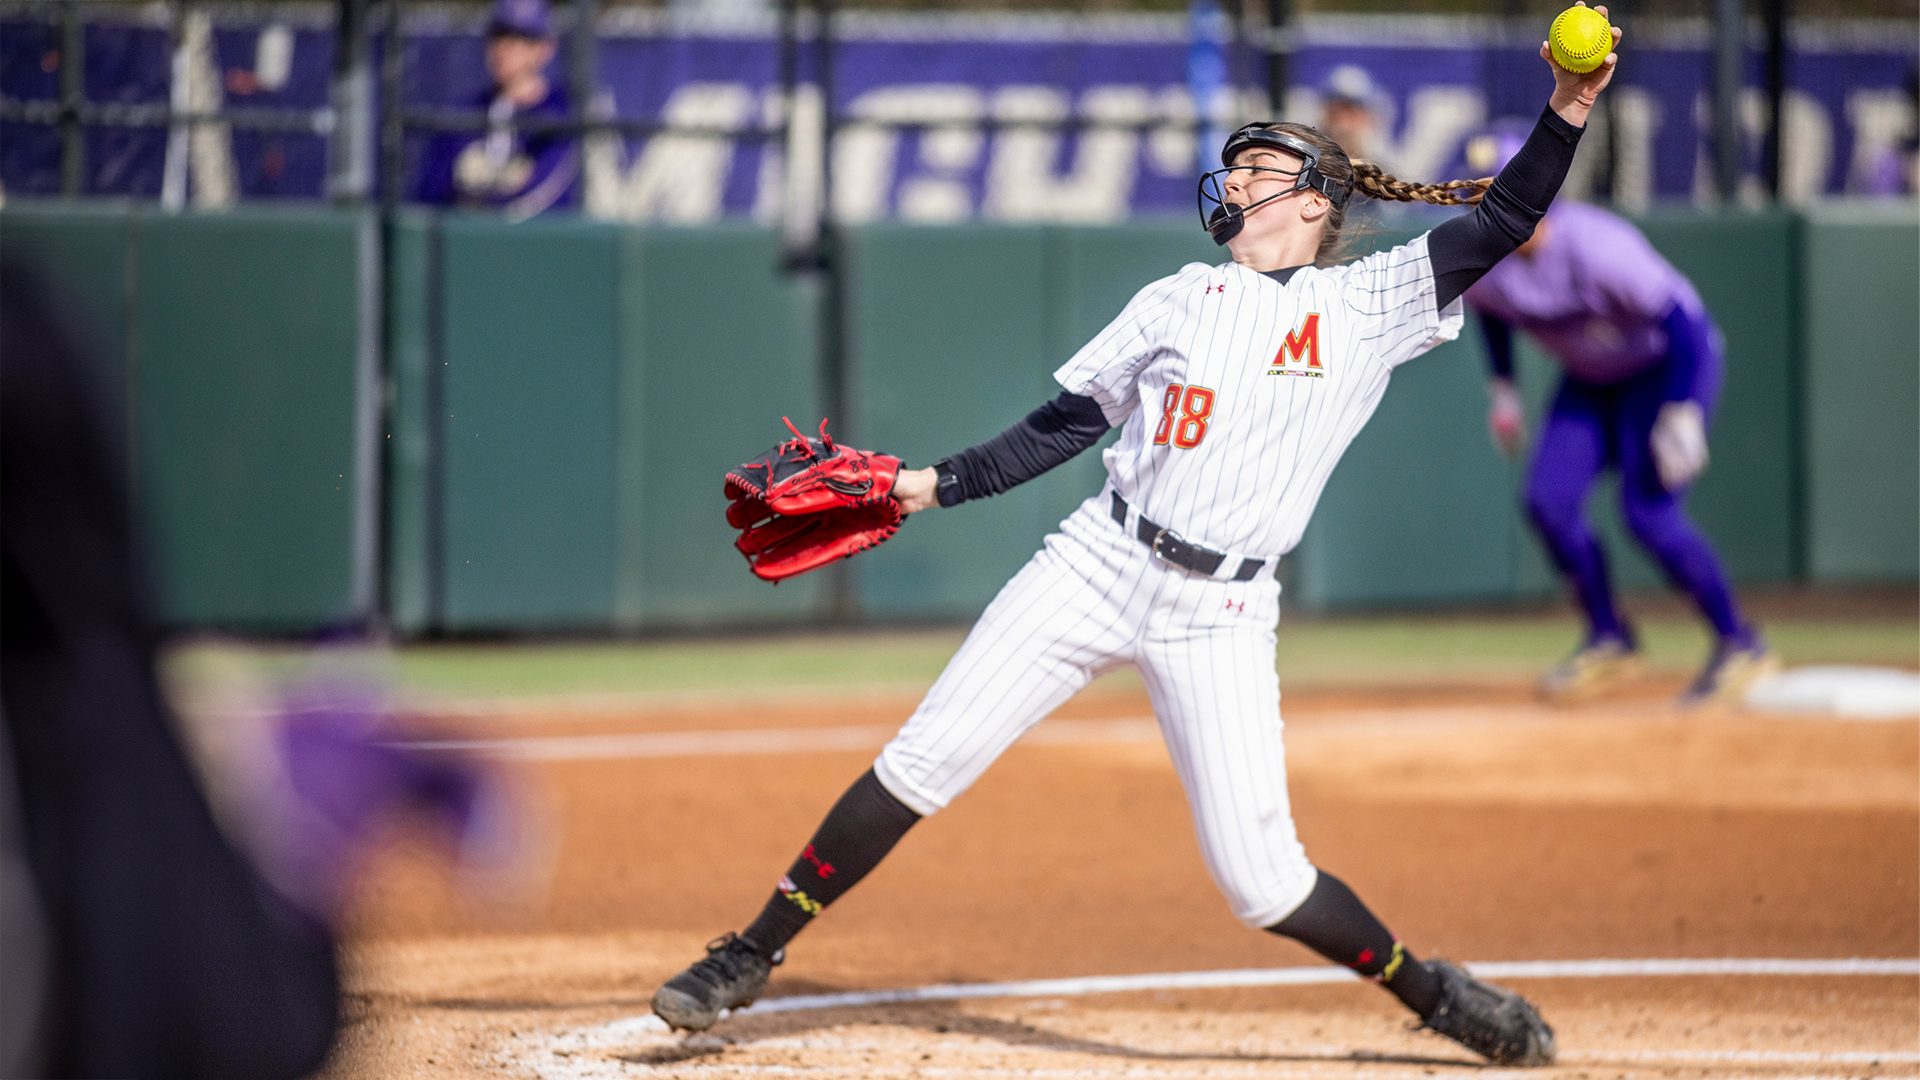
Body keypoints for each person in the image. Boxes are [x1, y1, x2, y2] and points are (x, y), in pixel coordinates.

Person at [651, 10, 1621, 1067]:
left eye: (1254, 168)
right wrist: (928, 486)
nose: (1233, 181)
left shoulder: (1367, 302)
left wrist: (1568, 107)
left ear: (1313, 197)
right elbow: (1063, 426)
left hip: (1225, 611)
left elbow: (1503, 216)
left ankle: (1435, 994)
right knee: (925, 758)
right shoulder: (1180, 296)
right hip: (1098, 561)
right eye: (1232, 167)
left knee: (1264, 883)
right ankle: (747, 952)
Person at [1459, 126, 1778, 706]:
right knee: (1548, 503)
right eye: (1483, 196)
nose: (1490, 207)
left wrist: (1684, 412)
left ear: (1536, 190)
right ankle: (1611, 638)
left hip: (1663, 372)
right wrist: (1503, 390)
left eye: (1501, 192)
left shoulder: (1594, 246)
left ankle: (1740, 642)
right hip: (1590, 381)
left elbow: (1688, 327)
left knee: (1649, 516)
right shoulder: (1488, 262)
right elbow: (1492, 313)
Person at [415, 0, 579, 218]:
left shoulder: (563, 111)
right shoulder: (463, 113)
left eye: (520, 39)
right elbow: (428, 197)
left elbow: (548, 196)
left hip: (539, 244)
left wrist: (479, 197)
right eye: (499, 35)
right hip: (468, 242)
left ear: (545, 48)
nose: (504, 49)